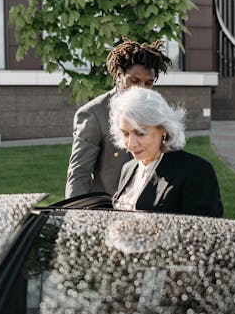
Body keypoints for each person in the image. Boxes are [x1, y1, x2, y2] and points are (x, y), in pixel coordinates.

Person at [65, 40, 171, 198]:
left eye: (148, 83)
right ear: (119, 75)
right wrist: (75, 217)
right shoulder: (93, 114)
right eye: (134, 81)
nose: (141, 89)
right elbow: (79, 174)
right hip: (109, 211)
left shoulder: (158, 109)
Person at [109, 86, 223, 218]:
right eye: (125, 134)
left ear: (163, 129)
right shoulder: (128, 168)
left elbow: (205, 231)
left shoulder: (196, 171)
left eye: (140, 133)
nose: (131, 144)